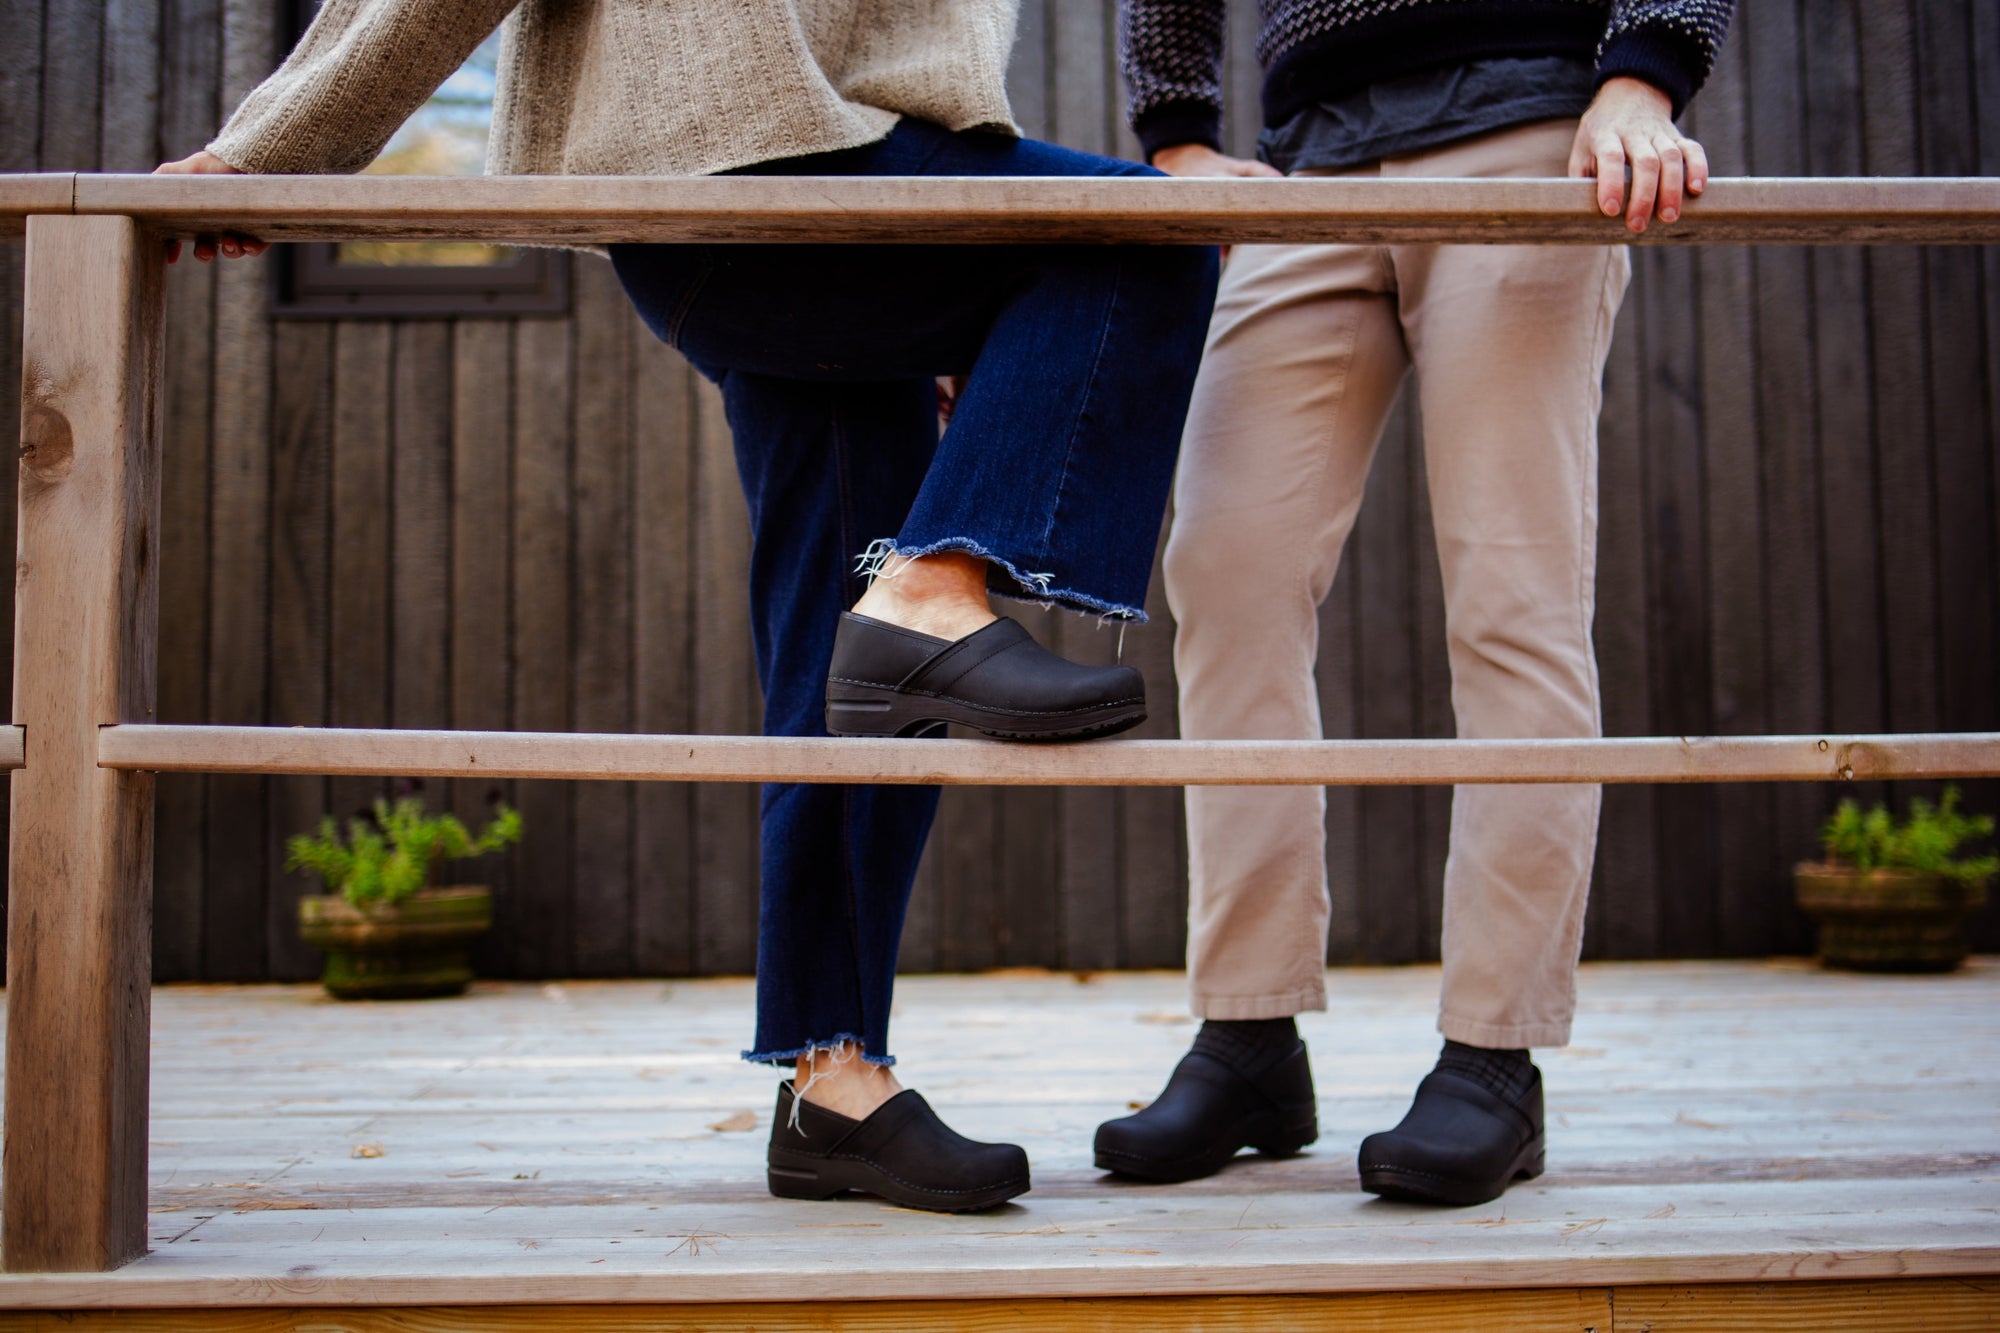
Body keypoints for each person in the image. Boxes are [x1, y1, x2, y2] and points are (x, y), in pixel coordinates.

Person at [165, 0, 1218, 1213]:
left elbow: (919, 59)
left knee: (843, 656)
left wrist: (965, 301)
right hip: (755, 177)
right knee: (1143, 234)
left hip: (846, 205)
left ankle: (834, 1088)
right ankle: (935, 593)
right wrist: (274, 151)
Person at [1096, 0, 1735, 1204]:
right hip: (1308, 168)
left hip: (1527, 130)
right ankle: (1247, 1033)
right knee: (1225, 569)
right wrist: (1174, 134)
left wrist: (1643, 75)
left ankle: (1494, 1056)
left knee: (1513, 588)